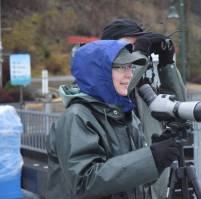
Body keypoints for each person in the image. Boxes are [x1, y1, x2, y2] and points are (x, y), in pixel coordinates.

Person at [46, 40, 181, 199]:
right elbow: (83, 182)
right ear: (98, 72)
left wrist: (157, 160)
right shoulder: (76, 117)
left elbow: (136, 181)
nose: (129, 74)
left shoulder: (125, 115)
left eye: (130, 67)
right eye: (121, 67)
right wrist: (150, 158)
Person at [101, 19, 187, 198]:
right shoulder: (100, 85)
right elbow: (116, 97)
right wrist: (141, 54)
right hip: (124, 187)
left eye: (138, 46)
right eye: (130, 47)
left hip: (155, 185)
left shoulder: (143, 83)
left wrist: (166, 64)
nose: (135, 53)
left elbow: (178, 106)